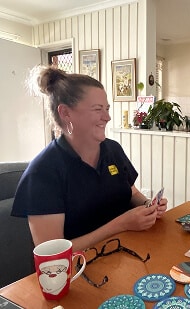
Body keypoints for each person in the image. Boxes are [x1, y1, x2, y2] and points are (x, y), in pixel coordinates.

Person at [11, 66, 167, 251]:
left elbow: (131, 193)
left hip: (127, 255)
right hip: (79, 271)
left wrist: (148, 206)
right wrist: (122, 224)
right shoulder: (42, 173)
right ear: (66, 113)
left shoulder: (113, 150)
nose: (107, 117)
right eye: (98, 109)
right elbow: (53, 254)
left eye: (107, 109)